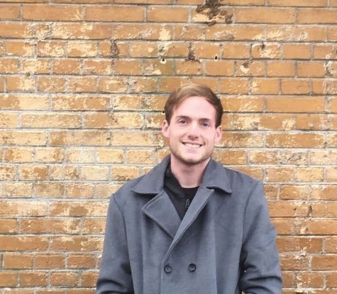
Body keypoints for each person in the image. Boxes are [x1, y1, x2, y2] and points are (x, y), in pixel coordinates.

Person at [96, 83, 282, 294]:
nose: (193, 132)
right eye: (183, 121)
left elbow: (264, 283)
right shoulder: (127, 202)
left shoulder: (245, 196)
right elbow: (113, 287)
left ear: (217, 133)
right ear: (166, 128)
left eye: (204, 124)